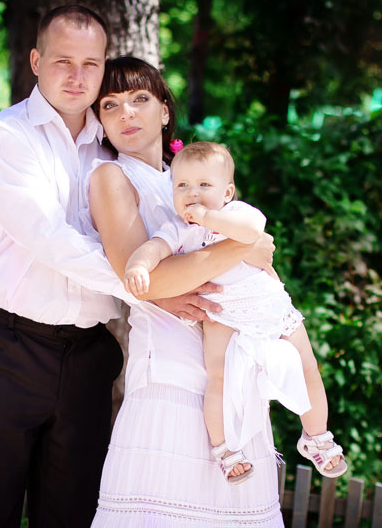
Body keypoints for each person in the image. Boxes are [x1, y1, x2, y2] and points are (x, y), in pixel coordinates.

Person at [0, 6, 211, 527]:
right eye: (62, 61)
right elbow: (51, 240)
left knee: (74, 514)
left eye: (90, 64)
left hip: (90, 354)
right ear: (35, 61)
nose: (77, 76)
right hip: (7, 347)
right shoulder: (6, 136)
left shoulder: (114, 146)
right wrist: (151, 288)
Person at [84, 57, 281, 527]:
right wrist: (241, 246)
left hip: (232, 368)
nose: (126, 113)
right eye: (110, 105)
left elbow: (257, 256)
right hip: (168, 372)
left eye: (140, 98)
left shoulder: (189, 176)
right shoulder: (111, 176)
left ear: (165, 110)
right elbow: (148, 279)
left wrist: (246, 247)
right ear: (101, 122)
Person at [122, 141, 347, 484]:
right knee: (219, 380)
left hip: (268, 304)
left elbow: (252, 232)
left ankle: (316, 436)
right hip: (221, 315)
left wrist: (208, 217)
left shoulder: (237, 212)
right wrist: (138, 265)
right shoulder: (179, 229)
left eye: (204, 184)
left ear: (227, 192)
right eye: (182, 185)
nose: (193, 193)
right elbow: (154, 247)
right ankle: (225, 450)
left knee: (306, 367)